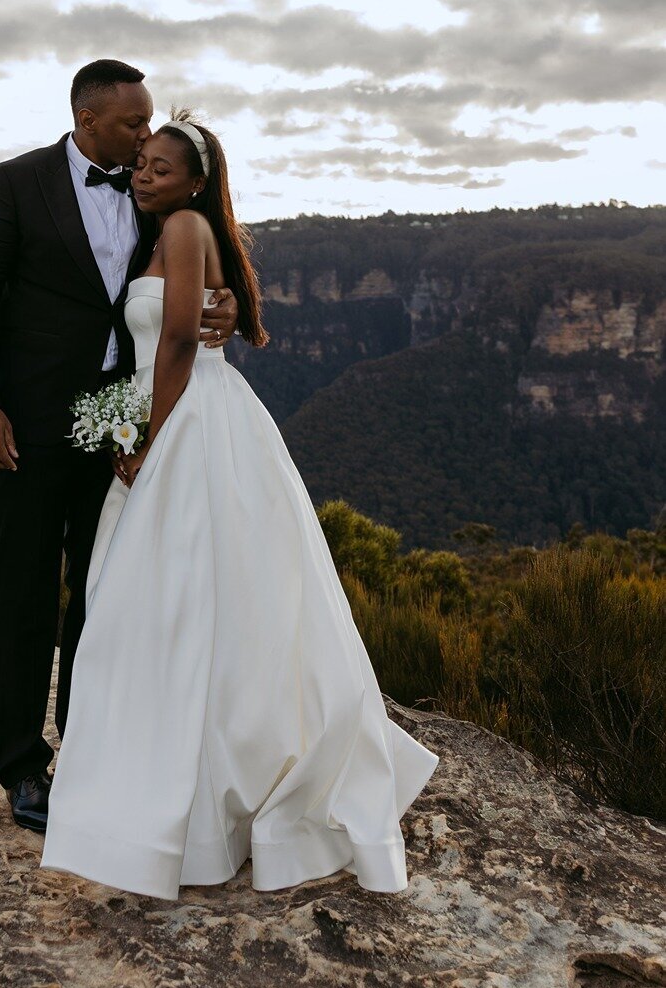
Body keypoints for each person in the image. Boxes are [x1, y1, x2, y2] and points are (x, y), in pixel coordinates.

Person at [40, 114, 440, 897]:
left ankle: (196, 791)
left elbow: (182, 337)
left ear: (195, 182)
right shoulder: (167, 228)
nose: (146, 174)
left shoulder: (185, 227)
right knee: (169, 600)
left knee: (185, 598)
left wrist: (146, 438)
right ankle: (170, 770)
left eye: (161, 166)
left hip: (194, 420)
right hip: (174, 408)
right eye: (143, 163)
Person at [0, 62, 239, 833]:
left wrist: (228, 296)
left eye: (148, 125)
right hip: (30, 422)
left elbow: (193, 255)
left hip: (116, 420)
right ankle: (18, 764)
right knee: (24, 591)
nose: (145, 136)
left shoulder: (153, 191)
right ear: (85, 119)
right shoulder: (17, 183)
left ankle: (86, 747)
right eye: (131, 124)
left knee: (103, 589)